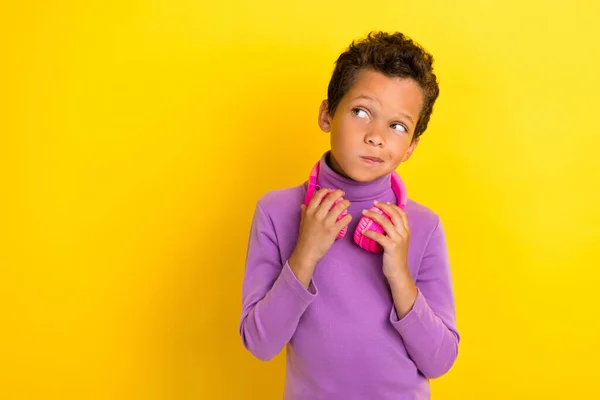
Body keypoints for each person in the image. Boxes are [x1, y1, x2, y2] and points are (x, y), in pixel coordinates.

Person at [238, 31, 460, 399]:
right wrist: (304, 254)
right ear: (327, 114)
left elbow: (439, 362)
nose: (376, 136)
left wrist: (399, 275)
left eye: (398, 126)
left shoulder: (423, 226)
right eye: (361, 112)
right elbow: (260, 344)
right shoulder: (276, 212)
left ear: (411, 148)